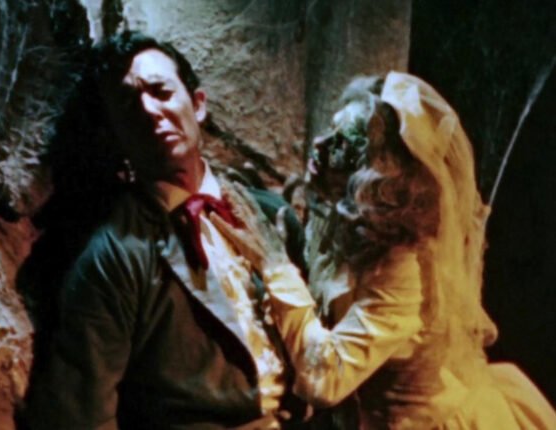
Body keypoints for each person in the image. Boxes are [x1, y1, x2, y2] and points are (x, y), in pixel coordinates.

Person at [20, 31, 336, 429]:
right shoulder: (114, 257)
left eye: (161, 92)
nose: (149, 110)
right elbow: (79, 415)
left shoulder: (272, 216)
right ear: (116, 132)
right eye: (128, 104)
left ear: (198, 105)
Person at [212, 72, 556, 428]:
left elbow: (324, 378)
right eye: (331, 128)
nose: (320, 144)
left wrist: (274, 264)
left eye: (344, 144)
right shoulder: (349, 220)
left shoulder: (403, 262)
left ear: (377, 174)